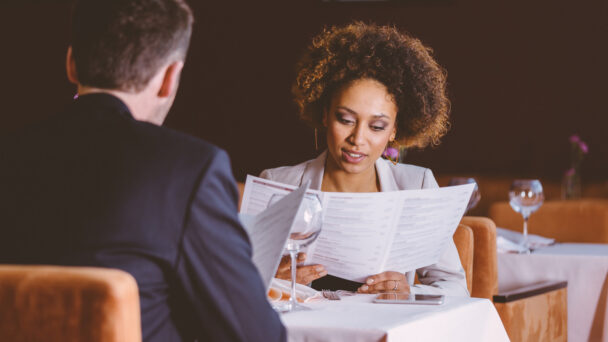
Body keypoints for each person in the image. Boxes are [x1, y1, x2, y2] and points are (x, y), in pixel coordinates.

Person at [0, 1, 286, 341]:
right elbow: (255, 335)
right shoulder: (190, 168)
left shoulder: (11, 153)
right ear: (170, 78)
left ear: (71, 63)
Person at [261, 22, 468, 297]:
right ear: (325, 114)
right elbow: (234, 286)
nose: (357, 138)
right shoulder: (277, 185)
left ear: (395, 130)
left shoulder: (415, 186)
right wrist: (273, 282)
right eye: (345, 120)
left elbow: (455, 288)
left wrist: (408, 293)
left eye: (377, 126)